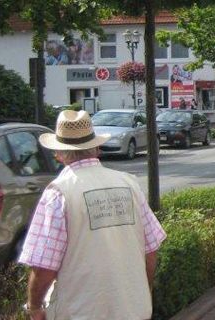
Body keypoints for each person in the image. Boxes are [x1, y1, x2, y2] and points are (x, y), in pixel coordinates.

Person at [18, 110, 166, 319]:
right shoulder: (128, 183)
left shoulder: (59, 192)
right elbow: (150, 251)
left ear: (58, 154)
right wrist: (141, 293)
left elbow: (44, 267)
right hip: (133, 310)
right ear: (96, 148)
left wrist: (34, 308)